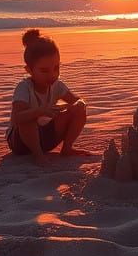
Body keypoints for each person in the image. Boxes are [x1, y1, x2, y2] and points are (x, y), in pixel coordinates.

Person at [7, 28, 89, 163]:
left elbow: (77, 101)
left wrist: (78, 104)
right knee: (28, 118)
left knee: (80, 109)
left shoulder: (57, 85)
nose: (52, 75)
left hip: (46, 137)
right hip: (21, 142)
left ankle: (67, 148)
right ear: (29, 70)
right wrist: (40, 111)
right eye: (44, 70)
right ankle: (38, 156)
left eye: (56, 68)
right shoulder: (24, 88)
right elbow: (17, 118)